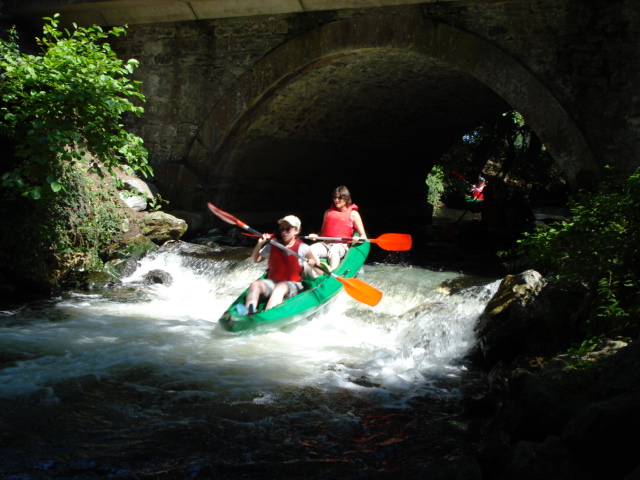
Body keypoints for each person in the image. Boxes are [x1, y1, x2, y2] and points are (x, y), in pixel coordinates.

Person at [237, 215, 319, 315]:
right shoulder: (272, 245)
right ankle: (249, 311)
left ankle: (266, 316)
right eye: (282, 229)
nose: (284, 232)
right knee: (255, 284)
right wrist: (259, 244)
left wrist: (313, 263)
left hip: (293, 285)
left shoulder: (303, 248)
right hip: (272, 282)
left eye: (288, 229)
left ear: (297, 231)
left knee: (280, 287)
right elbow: (255, 260)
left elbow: (319, 270)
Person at [308, 186, 367, 271]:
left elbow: (363, 236)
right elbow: (322, 232)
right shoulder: (327, 212)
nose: (336, 200)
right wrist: (316, 235)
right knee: (311, 250)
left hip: (341, 245)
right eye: (334, 197)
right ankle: (317, 270)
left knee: (334, 251)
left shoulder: (353, 214)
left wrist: (358, 239)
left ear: (346, 198)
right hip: (325, 244)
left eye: (340, 197)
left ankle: (333, 271)